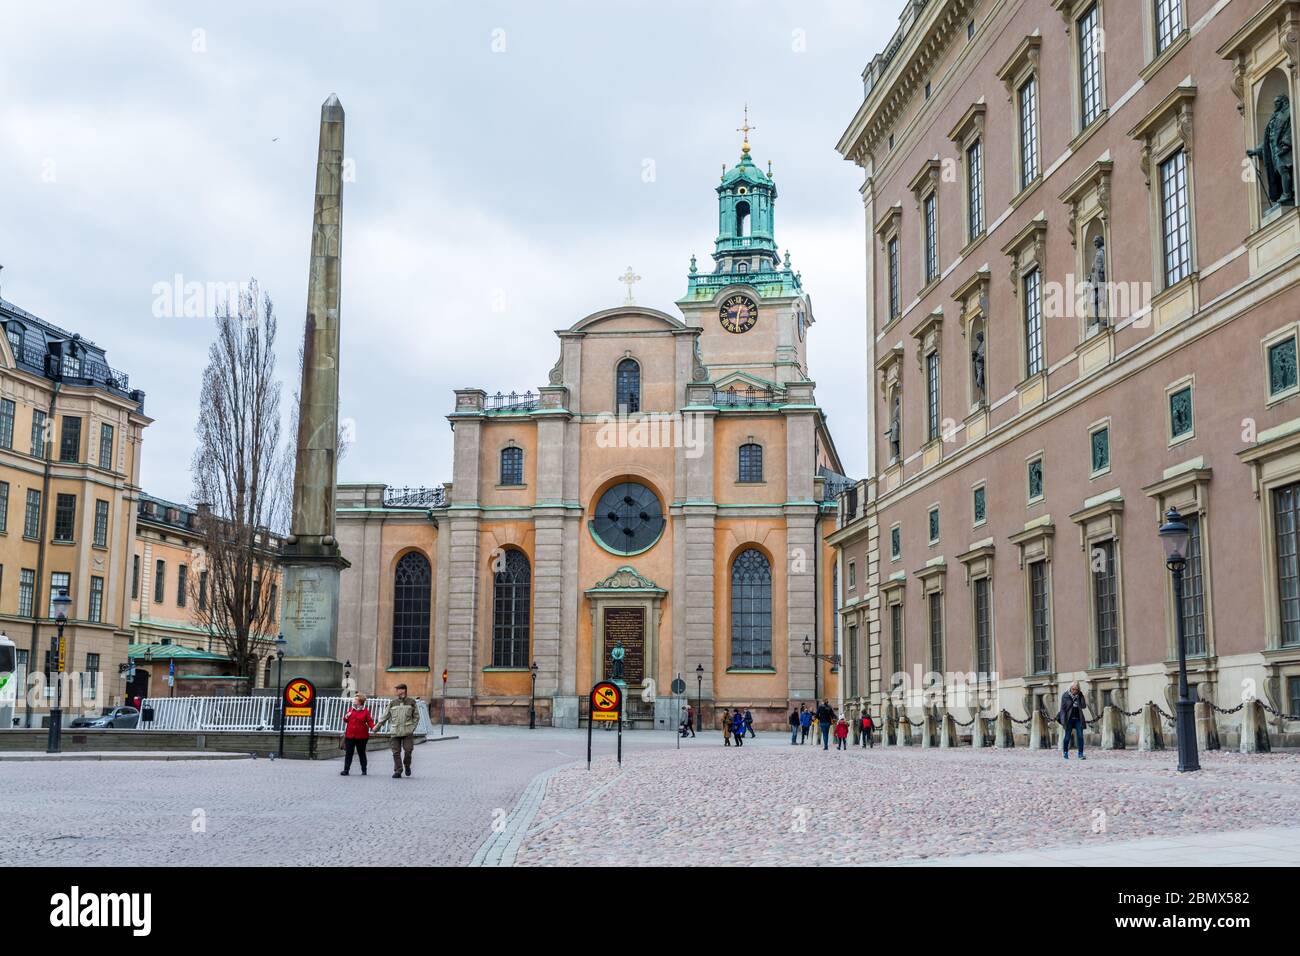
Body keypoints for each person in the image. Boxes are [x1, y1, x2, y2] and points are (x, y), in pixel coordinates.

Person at [374, 683, 421, 778]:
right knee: (396, 752)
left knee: (408, 751)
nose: (395, 691)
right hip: (395, 731)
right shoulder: (392, 703)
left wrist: (412, 728)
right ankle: (398, 770)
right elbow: (385, 716)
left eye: (397, 689)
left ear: (403, 690)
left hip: (407, 731)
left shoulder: (411, 702)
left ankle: (407, 765)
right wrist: (376, 728)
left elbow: (416, 717)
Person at [340, 693, 374, 776]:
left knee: (361, 753)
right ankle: (346, 770)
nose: (354, 700)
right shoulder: (351, 709)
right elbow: (345, 720)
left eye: (355, 699)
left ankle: (364, 770)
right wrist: (346, 716)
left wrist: (374, 728)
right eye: (354, 699)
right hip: (350, 736)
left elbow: (370, 722)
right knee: (349, 753)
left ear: (360, 701)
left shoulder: (365, 711)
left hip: (362, 736)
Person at [1057, 681, 1088, 761]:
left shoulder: (1079, 695)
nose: (1074, 691)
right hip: (1069, 719)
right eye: (1073, 689)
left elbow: (1084, 706)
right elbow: (1063, 709)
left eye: (1076, 689)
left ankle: (1080, 754)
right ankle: (1065, 752)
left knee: (1080, 736)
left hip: (1078, 719)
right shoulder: (1065, 695)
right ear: (1070, 688)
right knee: (1067, 737)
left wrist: (1080, 696)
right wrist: (1063, 720)